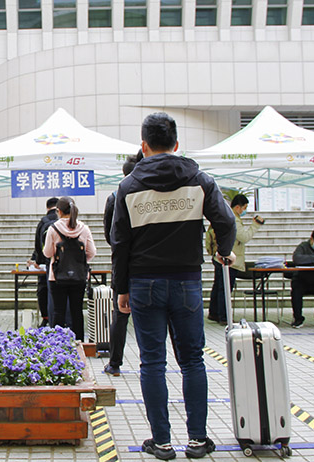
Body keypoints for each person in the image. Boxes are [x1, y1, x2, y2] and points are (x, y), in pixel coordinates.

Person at [111, 112, 236, 460]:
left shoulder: (128, 187)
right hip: (187, 282)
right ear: (176, 144)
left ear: (144, 146)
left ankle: (162, 442)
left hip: (143, 283)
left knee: (152, 362)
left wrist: (121, 288)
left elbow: (119, 243)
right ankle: (197, 440)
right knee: (193, 360)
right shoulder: (200, 181)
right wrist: (222, 251)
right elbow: (226, 222)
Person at [102, 152, 142, 376]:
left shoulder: (115, 196)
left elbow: (111, 236)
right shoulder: (149, 193)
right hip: (147, 263)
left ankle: (115, 363)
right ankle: (151, 364)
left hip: (124, 263)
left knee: (120, 315)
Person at [44, 196, 96, 341]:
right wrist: (79, 262)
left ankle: (58, 344)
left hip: (57, 276)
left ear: (59, 211)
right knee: (76, 311)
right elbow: (92, 252)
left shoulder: (53, 229)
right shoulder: (84, 229)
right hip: (79, 276)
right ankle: (79, 343)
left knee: (58, 311)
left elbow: (47, 253)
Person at [207, 194, 264, 325]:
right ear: (238, 207)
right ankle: (224, 316)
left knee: (218, 286)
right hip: (229, 259)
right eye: (245, 207)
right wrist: (255, 225)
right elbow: (244, 237)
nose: (245, 210)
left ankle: (214, 313)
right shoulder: (234, 220)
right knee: (225, 288)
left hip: (219, 256)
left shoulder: (226, 216)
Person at [28, 197, 58, 327]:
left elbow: (38, 245)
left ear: (47, 207)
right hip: (63, 265)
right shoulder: (63, 221)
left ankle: (46, 318)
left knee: (43, 290)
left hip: (46, 264)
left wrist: (37, 261)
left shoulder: (43, 222)